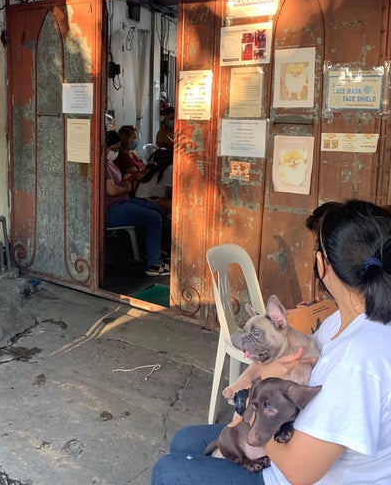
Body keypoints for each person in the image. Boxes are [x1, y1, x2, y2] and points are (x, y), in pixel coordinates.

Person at [151, 199, 391, 484]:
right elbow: (297, 356)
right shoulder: (348, 319)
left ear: (321, 264)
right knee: (184, 440)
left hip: (296, 471)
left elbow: (300, 472)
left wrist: (250, 402)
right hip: (294, 432)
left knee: (168, 471)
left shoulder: (359, 357)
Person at [105, 130, 170, 277]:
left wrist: (124, 182)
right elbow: (112, 191)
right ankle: (154, 264)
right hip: (112, 209)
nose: (115, 152)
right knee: (154, 218)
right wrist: (126, 188)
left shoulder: (110, 163)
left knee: (157, 210)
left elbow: (116, 186)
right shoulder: (102, 165)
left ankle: (152, 250)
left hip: (122, 201)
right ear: (105, 146)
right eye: (114, 149)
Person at [135, 148, 173, 214]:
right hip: (145, 199)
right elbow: (172, 191)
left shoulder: (165, 165)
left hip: (147, 196)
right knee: (176, 205)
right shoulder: (170, 168)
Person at [115, 125, 147, 191]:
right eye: (134, 138)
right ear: (126, 139)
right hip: (132, 188)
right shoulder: (122, 156)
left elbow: (144, 167)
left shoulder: (133, 153)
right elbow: (137, 176)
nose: (135, 140)